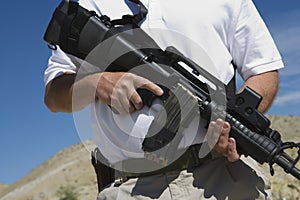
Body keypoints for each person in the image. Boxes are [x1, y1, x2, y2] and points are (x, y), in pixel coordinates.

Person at [44, 0, 283, 199]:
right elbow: (54, 95)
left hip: (223, 178)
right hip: (131, 188)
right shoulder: (91, 3)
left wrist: (233, 132)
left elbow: (263, 70)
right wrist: (98, 83)